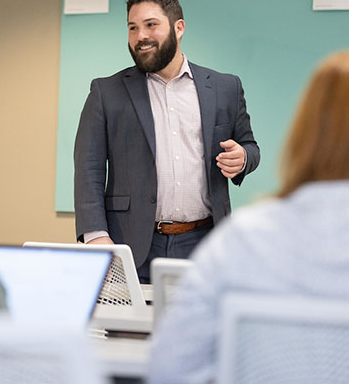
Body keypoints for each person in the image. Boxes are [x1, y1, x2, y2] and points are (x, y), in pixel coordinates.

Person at [148, 50, 349, 383]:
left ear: (305, 132)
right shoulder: (240, 238)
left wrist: (242, 157)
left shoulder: (243, 240)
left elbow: (170, 369)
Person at [74, 0, 260, 282]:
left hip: (206, 243)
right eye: (132, 28)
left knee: (201, 328)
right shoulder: (105, 92)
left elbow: (250, 146)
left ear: (179, 27)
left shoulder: (225, 87)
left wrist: (243, 158)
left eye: (151, 25)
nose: (140, 36)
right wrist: (96, 235)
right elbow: (88, 168)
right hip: (129, 245)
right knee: (129, 329)